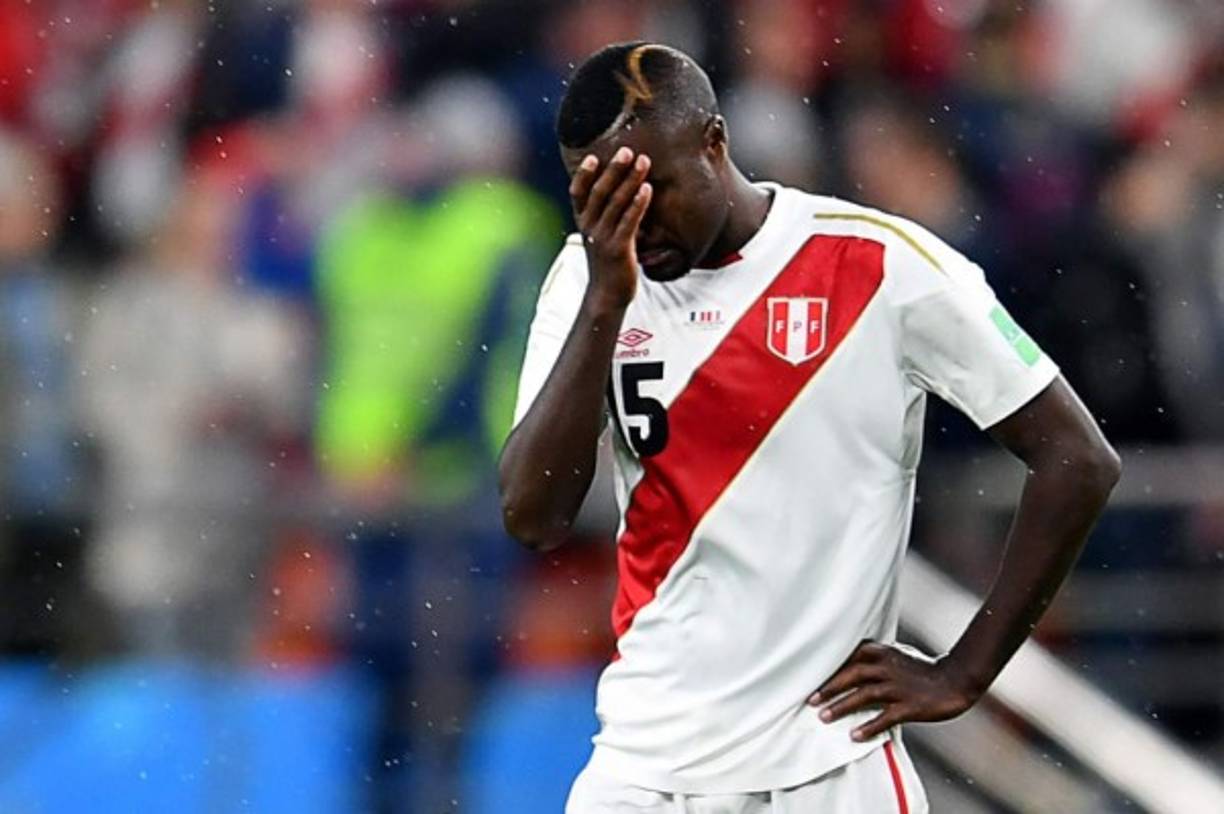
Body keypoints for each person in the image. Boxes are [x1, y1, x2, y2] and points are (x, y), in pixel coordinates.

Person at [498, 42, 1120, 813]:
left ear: (714, 141)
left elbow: (1078, 458)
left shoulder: (879, 264)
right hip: (643, 768)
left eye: (651, 189)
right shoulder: (589, 279)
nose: (636, 220)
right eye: (603, 198)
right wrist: (605, 301)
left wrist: (964, 671)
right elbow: (534, 517)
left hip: (828, 768)